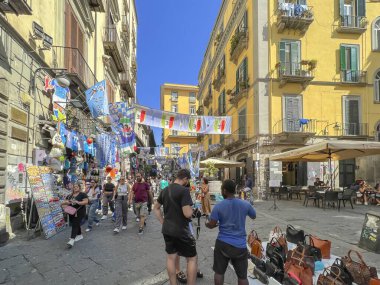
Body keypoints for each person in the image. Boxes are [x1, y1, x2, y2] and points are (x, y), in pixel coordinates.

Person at [206, 179, 256, 285]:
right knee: (242, 276)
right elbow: (253, 215)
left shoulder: (218, 206)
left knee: (219, 272)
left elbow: (211, 224)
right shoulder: (245, 204)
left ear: (224, 191)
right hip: (240, 245)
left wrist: (207, 223)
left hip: (222, 243)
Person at [153, 169, 197, 285]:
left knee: (171, 258)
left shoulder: (165, 190)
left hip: (167, 229)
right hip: (182, 230)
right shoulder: (184, 191)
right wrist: (193, 210)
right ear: (186, 179)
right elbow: (187, 213)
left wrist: (163, 222)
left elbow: (156, 208)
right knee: (192, 258)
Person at [61, 182, 89, 248]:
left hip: (80, 212)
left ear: (79, 187)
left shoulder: (82, 194)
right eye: (74, 187)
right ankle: (79, 235)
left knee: (75, 224)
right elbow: (64, 202)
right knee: (75, 223)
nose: (75, 188)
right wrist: (65, 203)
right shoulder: (70, 195)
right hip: (71, 211)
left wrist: (78, 202)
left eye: (76, 187)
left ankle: (72, 240)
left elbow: (86, 202)